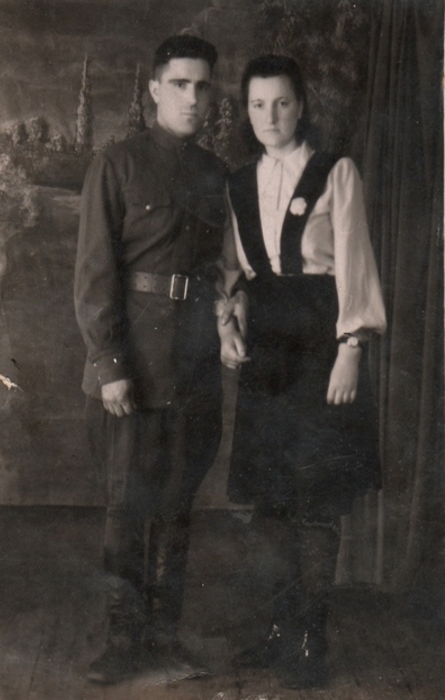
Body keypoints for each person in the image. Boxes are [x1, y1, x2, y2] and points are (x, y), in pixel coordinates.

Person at [218, 54, 386, 690]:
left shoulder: (335, 172)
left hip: (321, 345)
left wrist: (352, 346)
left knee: (314, 497)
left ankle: (313, 640)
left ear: (301, 105)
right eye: (257, 104)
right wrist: (230, 319)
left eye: (282, 102)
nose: (270, 116)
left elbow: (354, 260)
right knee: (270, 500)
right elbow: (236, 273)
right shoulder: (239, 183)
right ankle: (278, 631)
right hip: (267, 352)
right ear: (246, 110)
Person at [75, 35, 232, 685]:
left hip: (194, 366)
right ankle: (122, 641)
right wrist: (109, 364)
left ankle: (165, 637)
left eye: (203, 86)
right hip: (132, 365)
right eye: (180, 85)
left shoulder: (218, 175)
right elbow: (94, 274)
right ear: (155, 91)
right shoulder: (117, 163)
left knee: (176, 504)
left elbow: (226, 272)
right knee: (126, 506)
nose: (193, 98)